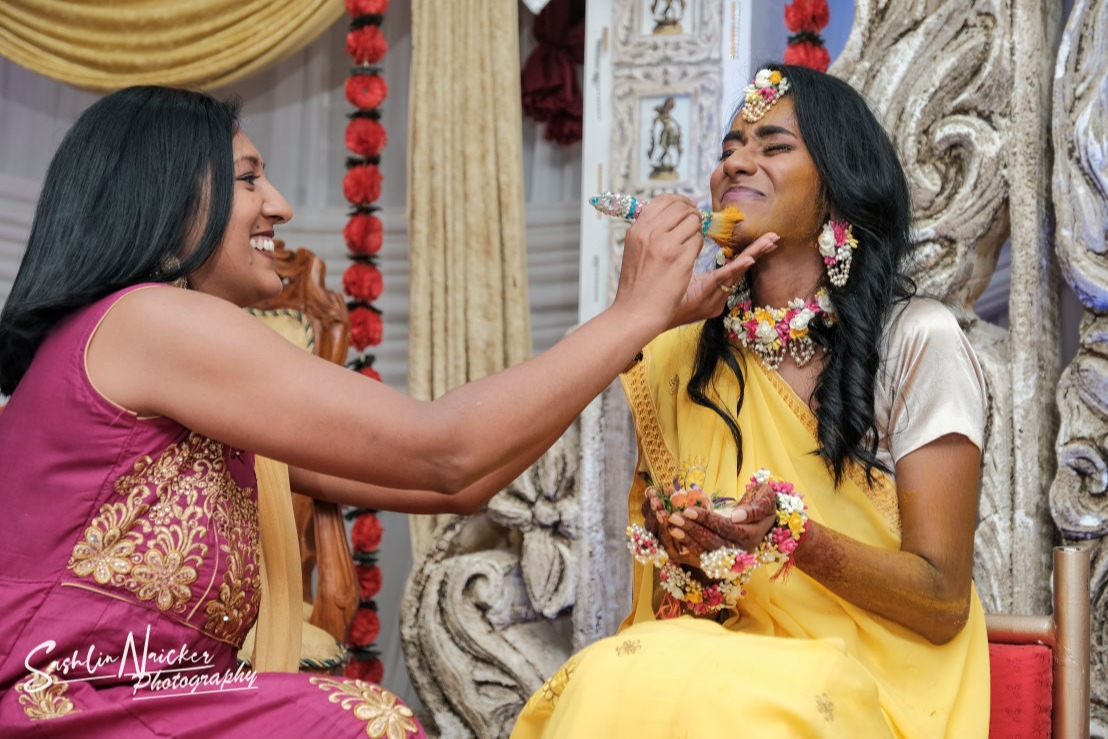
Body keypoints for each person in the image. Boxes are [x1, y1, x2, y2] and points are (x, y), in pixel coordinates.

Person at [0, 86, 776, 737]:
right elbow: (442, 449)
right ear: (165, 196)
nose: (279, 205)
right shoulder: (148, 320)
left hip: (139, 698)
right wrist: (630, 315)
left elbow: (457, 483)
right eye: (248, 179)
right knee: (361, 721)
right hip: (65, 702)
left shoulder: (182, 372)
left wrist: (637, 324)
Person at [512, 63, 989, 737]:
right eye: (729, 148)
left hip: (870, 679)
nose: (736, 163)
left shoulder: (915, 338)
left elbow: (942, 602)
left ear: (838, 187)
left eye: (773, 145)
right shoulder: (673, 353)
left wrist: (791, 537)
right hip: (716, 661)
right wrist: (690, 548)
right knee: (604, 675)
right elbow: (678, 602)